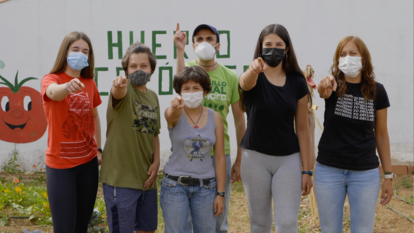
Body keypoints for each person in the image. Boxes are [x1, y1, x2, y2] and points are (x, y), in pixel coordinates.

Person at [238, 24, 313, 233]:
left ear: (287, 48)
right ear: (260, 48)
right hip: (255, 159)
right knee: (259, 223)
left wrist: (307, 169)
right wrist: (252, 70)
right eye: (268, 44)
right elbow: (244, 83)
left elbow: (303, 128)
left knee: (288, 223)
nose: (273, 49)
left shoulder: (298, 81)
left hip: (288, 159)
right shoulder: (253, 76)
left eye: (279, 44)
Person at [315, 36, 393, 233]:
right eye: (342, 54)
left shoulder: (377, 91)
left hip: (365, 173)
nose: (347, 58)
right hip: (328, 170)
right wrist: (323, 85)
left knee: (363, 229)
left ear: (363, 60)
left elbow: (382, 135)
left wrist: (389, 176)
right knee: (330, 229)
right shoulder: (333, 86)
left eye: (352, 53)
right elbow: (322, 91)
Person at [174, 23, 246, 233]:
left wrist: (240, 159)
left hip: (218, 155)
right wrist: (179, 49)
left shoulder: (230, 76)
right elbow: (180, 85)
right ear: (193, 44)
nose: (204, 43)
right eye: (199, 39)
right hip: (189, 153)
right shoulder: (187, 68)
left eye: (209, 39)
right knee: (186, 219)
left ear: (218, 45)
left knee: (218, 217)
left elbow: (239, 120)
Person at [41, 31, 102, 232]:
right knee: (64, 228)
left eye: (85, 51)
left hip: (88, 164)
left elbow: (95, 117)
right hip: (61, 167)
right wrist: (66, 86)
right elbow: (52, 93)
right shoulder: (51, 79)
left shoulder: (90, 83)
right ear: (65, 52)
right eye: (75, 49)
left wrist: (98, 149)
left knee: (81, 226)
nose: (80, 54)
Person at [100, 42, 160, 233]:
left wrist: (157, 162)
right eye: (133, 66)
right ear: (125, 70)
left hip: (146, 180)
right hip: (121, 180)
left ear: (151, 69)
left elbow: (154, 134)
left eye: (144, 65)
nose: (138, 70)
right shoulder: (124, 92)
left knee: (147, 229)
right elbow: (118, 91)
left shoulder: (153, 96)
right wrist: (118, 85)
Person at [161, 66, 226, 233]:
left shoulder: (215, 117)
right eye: (186, 88)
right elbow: (171, 115)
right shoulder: (174, 113)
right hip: (175, 186)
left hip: (206, 188)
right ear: (179, 92)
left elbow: (219, 158)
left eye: (196, 88)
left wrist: (220, 193)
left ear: (204, 91)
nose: (191, 92)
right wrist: (176, 108)